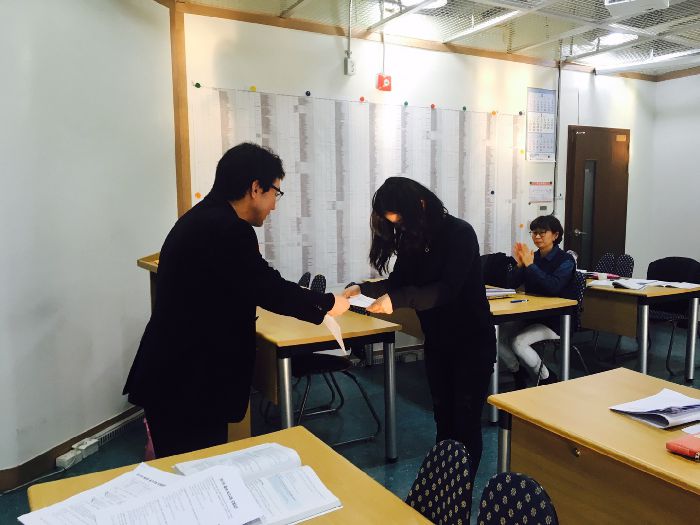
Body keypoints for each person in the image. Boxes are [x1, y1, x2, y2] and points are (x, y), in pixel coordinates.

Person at [123, 142, 350, 458]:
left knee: (188, 465)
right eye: (275, 193)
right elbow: (267, 287)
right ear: (256, 188)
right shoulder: (228, 229)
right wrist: (327, 304)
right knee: (196, 469)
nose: (274, 205)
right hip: (189, 382)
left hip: (177, 376)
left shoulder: (202, 218)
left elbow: (250, 284)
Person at [344, 177, 496, 477]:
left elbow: (446, 290)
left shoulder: (460, 233)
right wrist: (364, 289)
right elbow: (399, 282)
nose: (399, 228)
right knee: (443, 420)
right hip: (438, 343)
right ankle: (444, 487)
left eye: (400, 220)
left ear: (421, 205)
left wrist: (398, 299)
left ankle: (461, 490)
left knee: (465, 423)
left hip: (471, 344)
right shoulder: (413, 238)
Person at [499, 214, 576, 388]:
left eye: (542, 232)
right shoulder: (532, 257)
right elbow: (509, 285)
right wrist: (520, 265)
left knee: (518, 342)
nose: (537, 236)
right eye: (534, 232)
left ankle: (547, 378)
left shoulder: (565, 260)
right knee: (496, 336)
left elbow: (553, 287)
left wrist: (531, 266)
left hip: (556, 319)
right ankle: (518, 372)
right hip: (531, 315)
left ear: (555, 235)